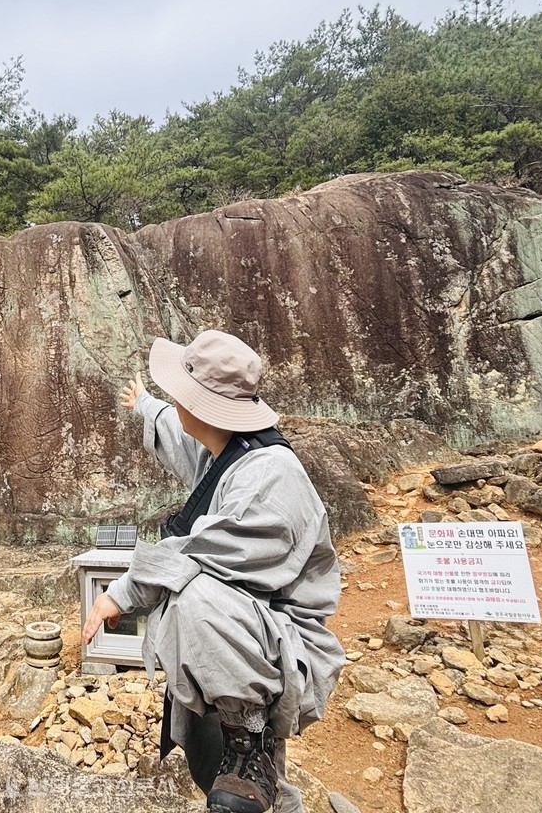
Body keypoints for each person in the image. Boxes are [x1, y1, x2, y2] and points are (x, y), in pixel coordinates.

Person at [81, 330, 345, 813]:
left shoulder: (270, 475)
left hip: (273, 645)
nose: (175, 400)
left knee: (194, 595)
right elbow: (180, 432)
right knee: (212, 769)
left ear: (202, 406)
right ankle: (247, 761)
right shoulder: (227, 451)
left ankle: (251, 740)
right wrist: (145, 404)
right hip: (237, 639)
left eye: (181, 393)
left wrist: (121, 593)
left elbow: (199, 554)